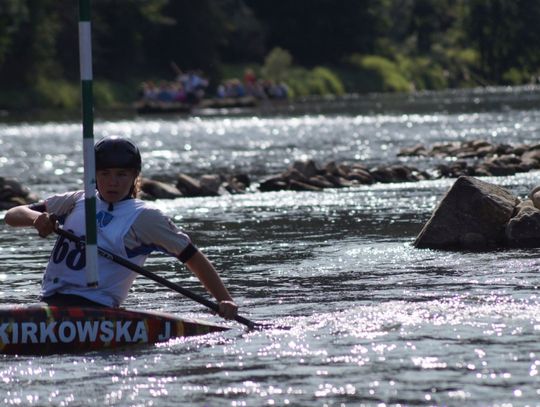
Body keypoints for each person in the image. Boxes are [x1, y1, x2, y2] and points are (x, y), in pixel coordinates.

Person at [3, 137, 238, 319]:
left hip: (97, 310)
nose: (112, 182)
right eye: (104, 174)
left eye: (121, 175)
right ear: (94, 175)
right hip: (50, 302)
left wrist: (224, 300)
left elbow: (191, 256)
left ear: (135, 176)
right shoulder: (77, 200)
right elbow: (12, 216)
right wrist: (37, 219)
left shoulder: (145, 217)